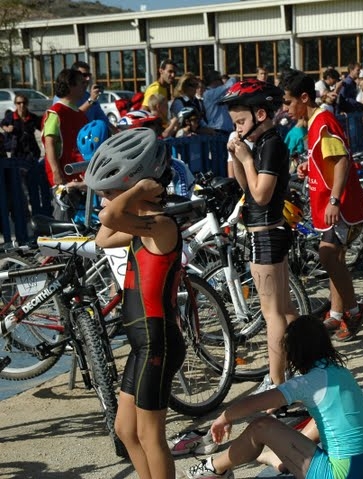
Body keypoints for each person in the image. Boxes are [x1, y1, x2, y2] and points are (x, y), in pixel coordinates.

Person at [87, 128, 184, 479]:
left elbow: (107, 219)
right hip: (143, 345)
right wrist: (130, 195)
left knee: (150, 435)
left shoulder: (161, 225)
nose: (105, 201)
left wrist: (136, 191)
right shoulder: (143, 226)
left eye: (110, 193)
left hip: (158, 342)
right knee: (126, 430)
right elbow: (102, 237)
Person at [184, 314, 363, 479]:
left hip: (340, 474)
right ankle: (278, 459)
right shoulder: (340, 373)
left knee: (261, 426)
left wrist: (224, 418)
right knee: (324, 415)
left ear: (294, 354)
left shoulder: (307, 382)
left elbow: (251, 404)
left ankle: (214, 469)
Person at [282, 68, 363, 341]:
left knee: (327, 255)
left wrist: (334, 200)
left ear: (304, 97)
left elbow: (343, 160)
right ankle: (336, 314)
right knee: (335, 259)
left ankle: (355, 311)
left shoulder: (322, 122)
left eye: (288, 102)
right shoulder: (313, 123)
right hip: (330, 204)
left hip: (340, 206)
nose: (285, 108)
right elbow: (329, 159)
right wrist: (311, 165)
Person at [221, 79, 299, 391]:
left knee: (273, 314)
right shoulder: (264, 145)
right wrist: (237, 159)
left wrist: (246, 159)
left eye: (241, 122)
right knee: (286, 310)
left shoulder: (270, 146)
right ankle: (305, 364)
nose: (238, 129)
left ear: (261, 115)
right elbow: (246, 187)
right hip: (269, 232)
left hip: (266, 234)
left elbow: (262, 195)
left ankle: (277, 380)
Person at [41, 68, 88, 216]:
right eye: (81, 82)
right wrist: (56, 172)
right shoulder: (56, 112)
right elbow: (49, 143)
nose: (85, 85)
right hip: (64, 179)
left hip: (81, 177)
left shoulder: (79, 114)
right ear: (70, 85)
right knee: (64, 221)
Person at [203, 69, 237, 136]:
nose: (221, 82)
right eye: (220, 79)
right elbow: (227, 86)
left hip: (227, 130)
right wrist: (234, 78)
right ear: (214, 80)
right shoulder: (209, 93)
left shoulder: (219, 92)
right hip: (216, 130)